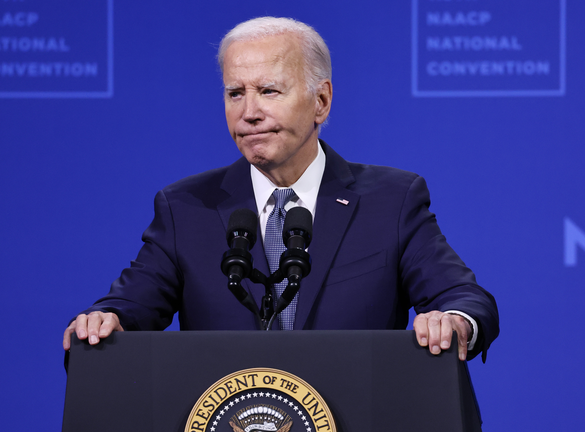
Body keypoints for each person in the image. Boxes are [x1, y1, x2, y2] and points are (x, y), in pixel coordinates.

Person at [63, 17, 499, 362]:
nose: (249, 112)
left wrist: (454, 321)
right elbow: (128, 306)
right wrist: (106, 321)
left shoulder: (392, 199)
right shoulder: (186, 207)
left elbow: (463, 298)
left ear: (321, 101)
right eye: (235, 93)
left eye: (269, 91)